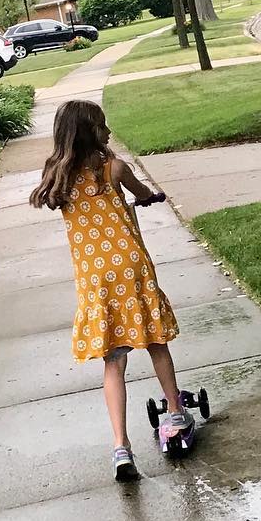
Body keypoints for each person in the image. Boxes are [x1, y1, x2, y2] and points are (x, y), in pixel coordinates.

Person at [30, 100, 187, 481]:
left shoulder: (57, 176)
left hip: (96, 280)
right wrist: (147, 198)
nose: (109, 130)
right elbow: (142, 192)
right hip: (131, 270)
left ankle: (121, 447)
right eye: (102, 125)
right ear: (91, 133)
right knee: (156, 343)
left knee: (113, 362)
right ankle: (175, 411)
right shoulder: (113, 169)